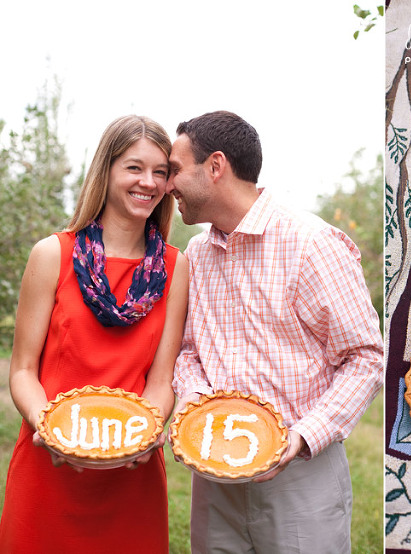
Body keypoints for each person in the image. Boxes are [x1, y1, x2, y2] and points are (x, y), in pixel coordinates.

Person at [168, 110, 384, 553]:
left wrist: (302, 436)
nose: (167, 185)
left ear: (215, 167)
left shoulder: (312, 244)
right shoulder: (196, 254)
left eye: (174, 170)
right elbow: (189, 351)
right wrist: (193, 409)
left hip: (301, 479)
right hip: (215, 477)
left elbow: (366, 358)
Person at [0, 115, 189, 553]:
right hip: (50, 466)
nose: (149, 182)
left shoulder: (176, 269)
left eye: (161, 172)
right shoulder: (52, 255)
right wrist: (51, 430)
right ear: (105, 170)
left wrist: (146, 432)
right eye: (134, 167)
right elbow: (24, 370)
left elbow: (162, 381)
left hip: (132, 473)